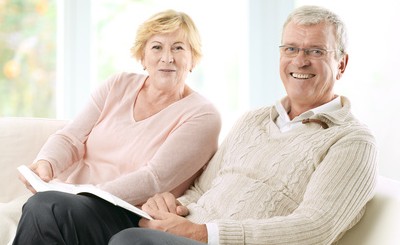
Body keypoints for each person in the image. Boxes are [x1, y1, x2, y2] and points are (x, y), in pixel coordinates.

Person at [107, 5, 378, 245]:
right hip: (184, 233)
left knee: (130, 241)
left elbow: (317, 227)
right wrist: (171, 208)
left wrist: (202, 233)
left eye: (316, 51)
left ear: (341, 64)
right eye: (291, 48)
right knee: (75, 213)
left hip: (206, 239)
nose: (299, 60)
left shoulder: (352, 141)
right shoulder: (253, 120)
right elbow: (202, 190)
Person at [12, 9, 221, 244]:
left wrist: (86, 192)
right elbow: (71, 138)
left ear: (193, 58)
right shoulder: (117, 85)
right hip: (72, 201)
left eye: (178, 48)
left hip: (127, 215)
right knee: (44, 207)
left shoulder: (203, 115)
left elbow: (154, 179)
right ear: (142, 56)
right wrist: (46, 163)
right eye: (157, 47)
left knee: (44, 207)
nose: (167, 57)